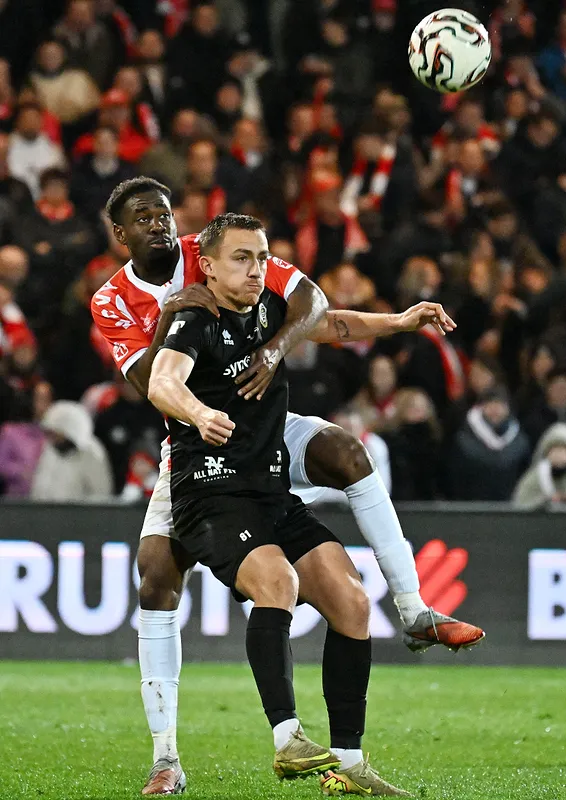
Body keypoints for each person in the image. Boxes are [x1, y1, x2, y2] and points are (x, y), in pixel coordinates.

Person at [91, 178, 484, 795]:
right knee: (157, 573)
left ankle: (409, 612)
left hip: (266, 436)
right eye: (143, 219)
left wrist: (393, 324)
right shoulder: (119, 301)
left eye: (165, 213)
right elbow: (156, 382)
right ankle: (167, 757)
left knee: (347, 459)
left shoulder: (222, 251)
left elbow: (321, 314)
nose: (160, 226)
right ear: (121, 235)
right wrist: (184, 350)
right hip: (203, 446)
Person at [147, 212, 409, 796]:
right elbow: (162, 381)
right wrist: (199, 413)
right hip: (209, 493)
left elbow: (333, 322)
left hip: (268, 491)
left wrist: (401, 321)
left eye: (262, 257)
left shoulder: (269, 311)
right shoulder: (194, 318)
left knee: (353, 602)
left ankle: (347, 760)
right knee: (278, 584)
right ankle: (288, 738)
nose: (256, 269)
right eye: (241, 258)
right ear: (207, 266)